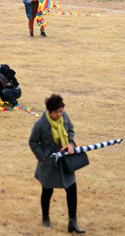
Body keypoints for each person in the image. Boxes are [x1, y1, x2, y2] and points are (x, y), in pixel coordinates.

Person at [28, 94, 84, 233]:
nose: (60, 114)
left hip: (65, 161)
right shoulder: (40, 124)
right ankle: (45, 218)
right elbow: (33, 142)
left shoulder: (65, 117)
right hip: (49, 163)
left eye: (61, 111)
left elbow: (70, 130)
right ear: (50, 111)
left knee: (72, 189)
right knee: (47, 191)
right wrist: (43, 157)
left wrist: (70, 143)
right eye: (57, 112)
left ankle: (73, 221)